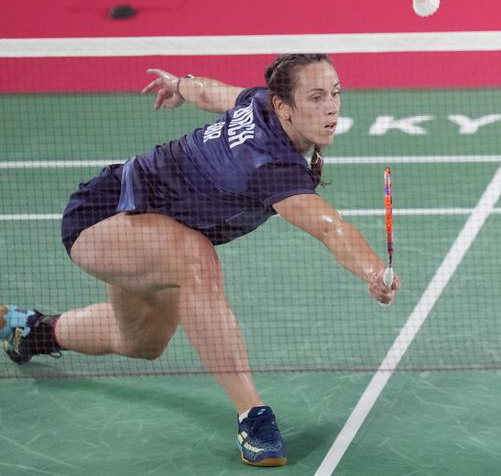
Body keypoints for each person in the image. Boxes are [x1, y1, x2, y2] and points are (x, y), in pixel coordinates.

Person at [1, 53, 401, 466]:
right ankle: (253, 416)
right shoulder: (271, 165)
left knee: (141, 342)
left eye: (335, 93)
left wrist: (179, 85)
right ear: (284, 106)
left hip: (152, 230)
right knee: (196, 259)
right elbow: (330, 228)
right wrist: (374, 271)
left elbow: (213, 92)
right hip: (103, 216)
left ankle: (31, 331)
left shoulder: (261, 102)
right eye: (316, 97)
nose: (332, 107)